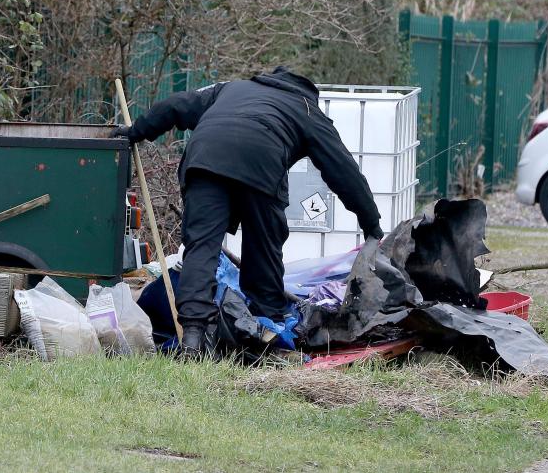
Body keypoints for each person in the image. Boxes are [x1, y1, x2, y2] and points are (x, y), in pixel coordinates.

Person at [113, 66, 384, 355]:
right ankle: (267, 330)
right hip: (262, 168)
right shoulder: (306, 109)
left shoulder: (232, 89)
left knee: (201, 247)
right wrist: (372, 225)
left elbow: (175, 105)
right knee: (263, 245)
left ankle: (192, 336)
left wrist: (134, 132)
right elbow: (343, 171)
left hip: (205, 161)